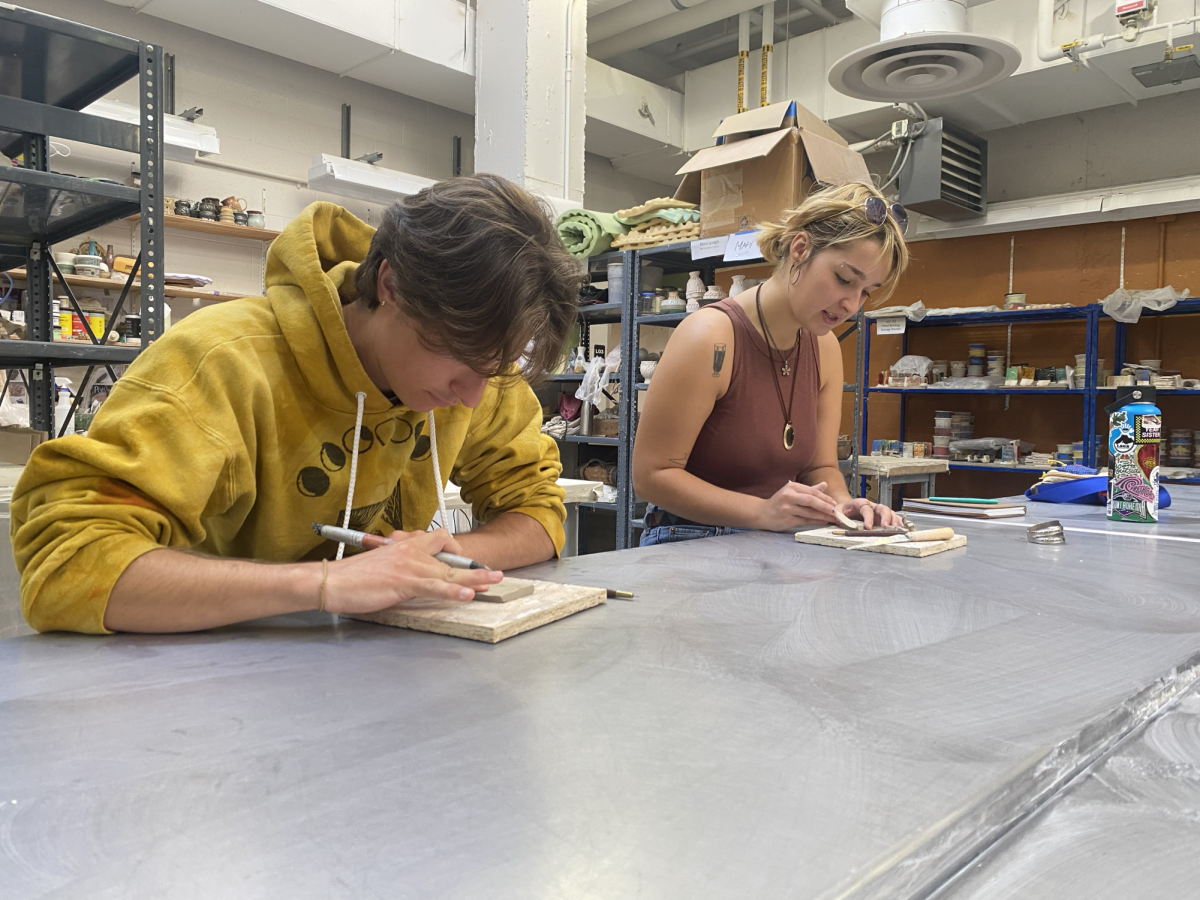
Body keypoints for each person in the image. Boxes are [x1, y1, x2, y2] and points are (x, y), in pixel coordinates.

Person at [11, 174, 582, 633]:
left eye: (495, 368)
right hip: (195, 680)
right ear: (391, 286)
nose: (473, 396)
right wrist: (323, 585)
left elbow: (538, 512)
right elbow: (66, 566)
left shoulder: (476, 368)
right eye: (460, 356)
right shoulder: (221, 362)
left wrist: (450, 551)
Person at [632, 182, 910, 546]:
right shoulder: (711, 337)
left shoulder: (824, 347)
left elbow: (819, 467)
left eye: (865, 291)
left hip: (774, 541)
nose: (851, 305)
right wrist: (762, 512)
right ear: (800, 248)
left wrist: (844, 507)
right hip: (688, 540)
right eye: (844, 279)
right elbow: (652, 475)